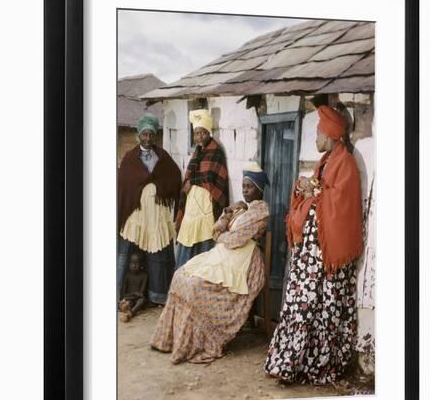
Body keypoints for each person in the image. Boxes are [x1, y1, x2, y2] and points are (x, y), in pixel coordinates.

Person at [264, 104, 364, 385]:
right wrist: (306, 187)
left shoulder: (344, 163)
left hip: (326, 257)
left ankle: (316, 367)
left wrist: (315, 190)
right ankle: (291, 365)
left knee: (321, 309)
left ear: (331, 135)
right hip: (311, 256)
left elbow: (340, 201)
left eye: (319, 133)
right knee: (302, 306)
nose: (315, 138)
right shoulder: (326, 161)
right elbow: (322, 191)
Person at [150, 162, 270, 364]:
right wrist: (229, 212)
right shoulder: (243, 209)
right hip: (226, 255)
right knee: (181, 275)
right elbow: (217, 229)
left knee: (196, 286)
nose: (245, 191)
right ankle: (172, 341)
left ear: (259, 189)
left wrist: (221, 235)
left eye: (249, 187)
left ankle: (200, 342)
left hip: (244, 260)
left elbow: (234, 240)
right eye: (243, 186)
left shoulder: (260, 213)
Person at [118, 113, 182, 305]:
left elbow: (175, 176)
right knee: (125, 253)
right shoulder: (130, 158)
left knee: (158, 253)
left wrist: (173, 188)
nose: (147, 138)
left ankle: (157, 295)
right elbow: (123, 185)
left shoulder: (162, 157)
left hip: (156, 214)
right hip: (135, 215)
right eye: (144, 134)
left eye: (151, 135)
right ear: (139, 134)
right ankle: (119, 295)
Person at [175, 109, 229, 269]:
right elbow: (190, 177)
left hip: (206, 204)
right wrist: (188, 185)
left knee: (205, 240)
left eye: (203, 133)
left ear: (208, 132)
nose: (199, 137)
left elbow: (211, 177)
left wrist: (192, 182)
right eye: (196, 133)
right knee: (188, 239)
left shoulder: (216, 152)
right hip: (192, 206)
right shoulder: (196, 153)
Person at [118, 252, 148, 322]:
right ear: (129, 264)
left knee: (142, 301)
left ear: (141, 265)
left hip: (138, 299)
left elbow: (141, 294)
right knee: (127, 302)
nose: (134, 266)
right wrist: (134, 294)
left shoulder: (144, 275)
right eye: (132, 263)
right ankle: (128, 310)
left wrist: (135, 295)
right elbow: (123, 294)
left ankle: (130, 313)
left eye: (136, 263)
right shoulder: (127, 275)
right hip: (130, 299)